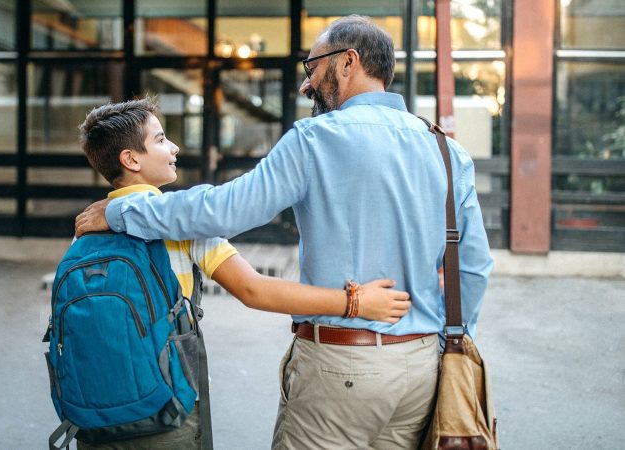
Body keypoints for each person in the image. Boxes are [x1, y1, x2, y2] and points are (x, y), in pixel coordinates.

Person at [75, 16, 493, 450]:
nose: (305, 85)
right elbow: (475, 266)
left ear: (348, 62)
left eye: (312, 69)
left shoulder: (316, 138)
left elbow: (225, 209)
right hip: (423, 369)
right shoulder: (447, 150)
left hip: (341, 369)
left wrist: (125, 211)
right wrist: (446, 343)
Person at [74, 97, 413, 450]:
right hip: (164, 406)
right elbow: (254, 290)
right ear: (130, 159)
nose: (173, 146)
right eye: (160, 139)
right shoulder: (180, 221)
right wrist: (355, 302)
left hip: (94, 411)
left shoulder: (89, 224)